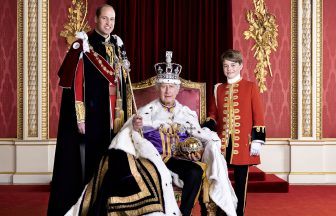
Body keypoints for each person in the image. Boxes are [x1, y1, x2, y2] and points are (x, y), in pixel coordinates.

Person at [65, 51, 237, 216]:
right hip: (154, 159)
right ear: (157, 89)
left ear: (178, 89)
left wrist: (201, 148)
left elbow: (199, 135)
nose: (168, 91)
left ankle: (184, 213)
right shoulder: (146, 112)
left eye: (171, 87)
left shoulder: (186, 113)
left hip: (178, 159)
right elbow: (130, 136)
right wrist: (136, 126)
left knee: (195, 172)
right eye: (163, 87)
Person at [48, 4, 130, 216]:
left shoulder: (118, 44)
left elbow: (121, 81)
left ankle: (110, 205)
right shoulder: (84, 44)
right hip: (93, 114)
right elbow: (76, 85)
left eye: (112, 19)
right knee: (94, 163)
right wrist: (80, 117)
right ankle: (90, 207)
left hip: (116, 112)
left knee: (113, 159)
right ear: (96, 19)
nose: (108, 23)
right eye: (105, 19)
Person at [203, 49, 266, 216]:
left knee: (240, 183)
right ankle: (222, 212)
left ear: (240, 66)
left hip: (243, 144)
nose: (229, 69)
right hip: (222, 143)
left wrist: (257, 140)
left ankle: (239, 213)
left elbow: (258, 114)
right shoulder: (218, 89)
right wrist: (206, 127)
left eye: (232, 65)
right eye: (225, 66)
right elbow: (213, 114)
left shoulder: (251, 87)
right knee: (221, 180)